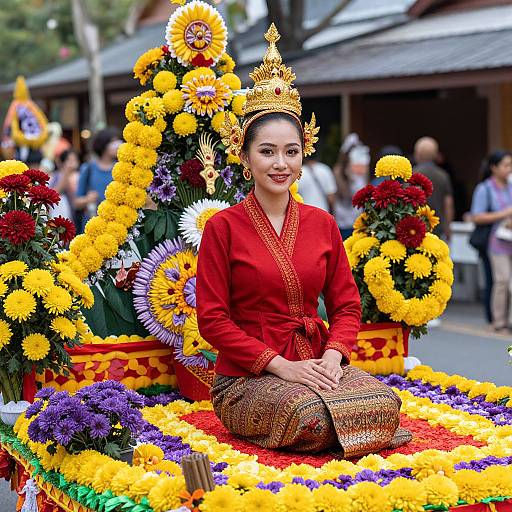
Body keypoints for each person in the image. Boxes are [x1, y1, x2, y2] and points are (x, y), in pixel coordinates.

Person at [196, 25, 411, 459]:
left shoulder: (322, 223)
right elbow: (213, 321)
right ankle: (347, 431)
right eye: (268, 151)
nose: (281, 163)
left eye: (291, 152)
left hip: (316, 363)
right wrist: (281, 367)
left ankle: (354, 426)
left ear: (303, 154)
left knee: (386, 404)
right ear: (245, 156)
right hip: (247, 378)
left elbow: (347, 306)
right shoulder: (223, 227)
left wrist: (333, 356)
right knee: (311, 416)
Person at [471, 150, 512, 332]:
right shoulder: (485, 188)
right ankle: (499, 321)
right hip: (496, 243)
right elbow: (477, 217)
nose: (509, 169)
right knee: (502, 281)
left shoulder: (511, 186)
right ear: (494, 168)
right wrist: (505, 214)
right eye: (506, 165)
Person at [74, 128, 121, 232]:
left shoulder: (121, 169)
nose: (118, 145)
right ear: (103, 145)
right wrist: (88, 199)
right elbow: (76, 202)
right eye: (113, 142)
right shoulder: (88, 168)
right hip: (92, 223)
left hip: (116, 225)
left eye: (118, 141)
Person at [413, 137, 454, 241]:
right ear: (436, 155)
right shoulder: (443, 175)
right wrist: (448, 228)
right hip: (436, 227)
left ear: (417, 154)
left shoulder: (411, 174)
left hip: (414, 228)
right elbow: (448, 204)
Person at [333, 135, 369, 239]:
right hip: (343, 220)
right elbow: (343, 194)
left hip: (358, 219)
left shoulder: (361, 171)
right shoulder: (339, 171)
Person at [49, 149, 80, 223]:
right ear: (62, 162)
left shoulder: (79, 176)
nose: (72, 163)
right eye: (69, 160)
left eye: (75, 160)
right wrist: (66, 174)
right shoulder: (56, 176)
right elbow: (54, 194)